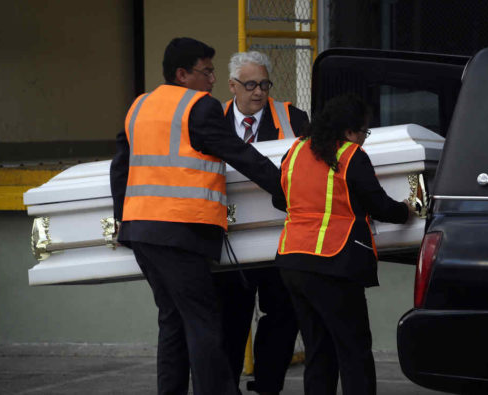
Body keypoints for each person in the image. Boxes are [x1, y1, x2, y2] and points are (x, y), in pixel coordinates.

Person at [110, 38, 284, 395]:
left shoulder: (139, 106)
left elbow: (120, 170)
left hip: (142, 232)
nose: (212, 80)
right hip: (180, 231)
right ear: (182, 74)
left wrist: (121, 221)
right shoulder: (199, 107)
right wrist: (286, 189)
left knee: (173, 321)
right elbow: (240, 154)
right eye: (206, 72)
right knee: (204, 322)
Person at [273, 94, 414, 395]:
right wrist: (407, 210)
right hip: (332, 262)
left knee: (318, 350)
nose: (364, 139)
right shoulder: (351, 156)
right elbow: (380, 206)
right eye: (365, 131)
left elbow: (279, 198)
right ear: (350, 131)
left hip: (292, 261)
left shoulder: (296, 150)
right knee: (354, 351)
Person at [214, 51, 308, 395]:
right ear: (232, 86)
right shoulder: (211, 119)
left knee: (283, 315)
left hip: (279, 235)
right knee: (230, 320)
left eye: (264, 84)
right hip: (228, 237)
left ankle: (268, 387)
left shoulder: (292, 117)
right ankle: (226, 388)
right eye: (250, 84)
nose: (258, 92)